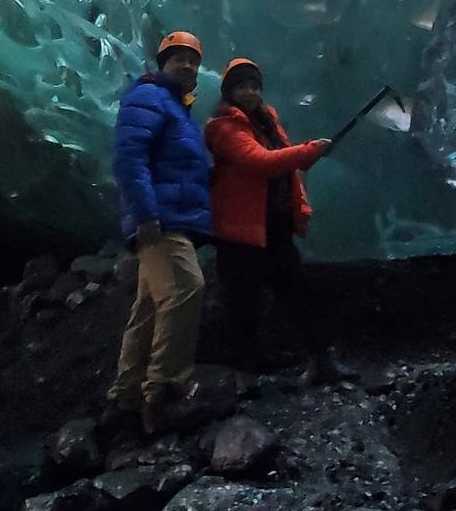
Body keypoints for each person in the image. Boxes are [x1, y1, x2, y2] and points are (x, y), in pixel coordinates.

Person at [205, 57, 341, 384]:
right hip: (240, 232)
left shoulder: (267, 119)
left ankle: (322, 362)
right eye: (241, 86)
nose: (249, 92)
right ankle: (244, 374)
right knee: (243, 303)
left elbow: (282, 158)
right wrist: (308, 152)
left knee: (299, 294)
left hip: (274, 225)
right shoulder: (221, 128)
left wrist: (303, 157)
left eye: (253, 86)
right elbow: (260, 162)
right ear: (229, 91)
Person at [104, 31, 211, 436]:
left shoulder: (176, 107)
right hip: (160, 221)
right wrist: (146, 213)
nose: (187, 65)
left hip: (169, 218)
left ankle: (125, 399)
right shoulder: (148, 97)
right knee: (186, 288)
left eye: (193, 60)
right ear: (162, 63)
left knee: (149, 308)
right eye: (178, 58)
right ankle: (164, 396)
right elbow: (129, 157)